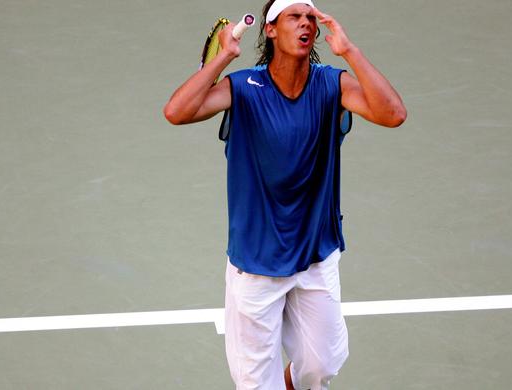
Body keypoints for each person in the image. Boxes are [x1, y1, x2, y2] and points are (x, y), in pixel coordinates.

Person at [164, 0, 406, 388]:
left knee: (322, 363)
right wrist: (223, 56)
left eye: (310, 17)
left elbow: (392, 114)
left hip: (315, 252)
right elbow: (177, 111)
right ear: (271, 30)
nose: (305, 23)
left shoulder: (332, 84)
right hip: (256, 261)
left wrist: (350, 52)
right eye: (294, 16)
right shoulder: (243, 89)